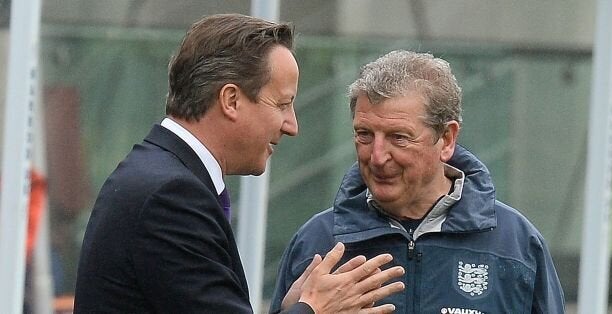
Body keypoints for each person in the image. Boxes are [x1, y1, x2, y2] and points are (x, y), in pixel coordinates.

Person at [73, 14, 406, 314]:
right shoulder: (170, 195)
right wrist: (314, 310)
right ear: (231, 100)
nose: (292, 125)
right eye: (283, 104)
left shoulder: (158, 175)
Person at [270, 50, 565, 313]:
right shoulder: (318, 241)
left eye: (398, 137)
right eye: (365, 135)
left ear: (447, 139)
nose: (377, 156)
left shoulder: (514, 244)